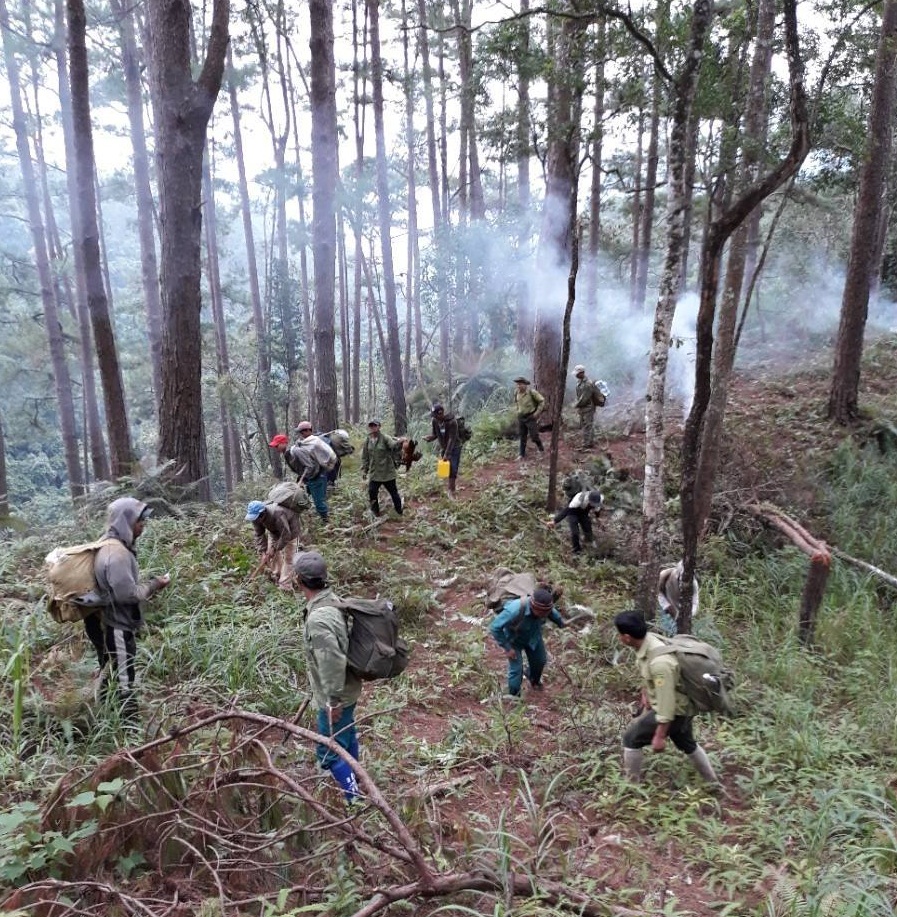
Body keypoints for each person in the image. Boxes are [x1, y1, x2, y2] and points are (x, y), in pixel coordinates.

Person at [613, 611, 719, 787]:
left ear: (627, 637)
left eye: (619, 634)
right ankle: (713, 783)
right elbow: (647, 675)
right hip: (681, 707)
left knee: (631, 739)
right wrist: (646, 694)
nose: (618, 637)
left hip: (675, 711)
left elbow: (667, 704)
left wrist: (660, 735)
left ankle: (631, 787)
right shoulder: (648, 641)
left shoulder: (661, 664)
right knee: (687, 743)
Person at [293, 551, 362, 804]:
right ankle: (356, 777)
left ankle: (354, 798)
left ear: (298, 580)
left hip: (335, 695)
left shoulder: (319, 619)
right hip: (348, 688)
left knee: (329, 752)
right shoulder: (331, 600)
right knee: (347, 735)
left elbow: (330, 662)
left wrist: (333, 701)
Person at [94, 497, 171, 719]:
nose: (142, 525)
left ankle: (106, 715)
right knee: (124, 677)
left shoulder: (112, 546)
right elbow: (127, 594)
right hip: (117, 625)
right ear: (124, 521)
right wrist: (156, 584)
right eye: (139, 520)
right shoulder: (116, 554)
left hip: (115, 622)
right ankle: (129, 727)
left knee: (115, 670)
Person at [490, 585, 566, 697]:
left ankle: (533, 679)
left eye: (546, 612)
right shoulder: (515, 610)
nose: (544, 615)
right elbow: (495, 627)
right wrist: (507, 648)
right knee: (516, 670)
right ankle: (514, 696)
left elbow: (552, 613)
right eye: (542, 613)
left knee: (540, 661)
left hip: (534, 638)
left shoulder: (546, 608)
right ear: (533, 606)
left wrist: (560, 622)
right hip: (513, 640)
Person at [246, 499, 303, 590]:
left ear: (262, 513)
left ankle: (285, 586)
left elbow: (286, 535)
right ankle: (278, 574)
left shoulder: (277, 514)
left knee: (289, 558)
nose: (256, 520)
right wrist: (264, 552)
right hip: (274, 532)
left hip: (291, 531)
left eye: (257, 517)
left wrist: (275, 548)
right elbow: (259, 534)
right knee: (272, 556)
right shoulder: (256, 518)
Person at [294, 421, 338, 522]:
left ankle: (327, 522)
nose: (300, 434)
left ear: (307, 431)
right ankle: (323, 517)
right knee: (315, 497)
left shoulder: (314, 443)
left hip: (318, 475)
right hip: (315, 475)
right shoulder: (306, 442)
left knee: (319, 502)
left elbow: (326, 457)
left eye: (301, 432)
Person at [360, 419, 403, 517]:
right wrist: (364, 470)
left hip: (387, 472)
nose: (373, 428)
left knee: (393, 492)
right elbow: (365, 456)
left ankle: (399, 511)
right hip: (375, 473)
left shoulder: (385, 438)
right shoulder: (368, 440)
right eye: (371, 426)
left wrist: (400, 442)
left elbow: (393, 446)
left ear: (379, 427)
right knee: (372, 492)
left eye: (375, 426)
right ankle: (375, 512)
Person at [548, 488, 603, 555]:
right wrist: (554, 521)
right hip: (573, 511)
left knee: (588, 527)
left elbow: (597, 511)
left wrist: (598, 519)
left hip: (584, 512)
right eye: (592, 503)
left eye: (594, 504)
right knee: (575, 532)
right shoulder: (579, 499)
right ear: (588, 499)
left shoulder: (599, 500)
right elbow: (566, 511)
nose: (593, 505)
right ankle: (576, 551)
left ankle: (590, 544)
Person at [424, 403, 461, 498]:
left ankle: (451, 491)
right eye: (433, 416)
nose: (434, 418)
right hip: (444, 447)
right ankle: (450, 487)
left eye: (436, 415)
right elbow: (435, 434)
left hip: (455, 447)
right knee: (446, 469)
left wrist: (447, 454)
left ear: (441, 413)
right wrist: (429, 438)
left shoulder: (452, 422)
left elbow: (451, 439)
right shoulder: (435, 421)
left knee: (453, 468)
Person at [658, 561, 699, 626]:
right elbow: (658, 593)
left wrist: (689, 614)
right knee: (666, 629)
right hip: (665, 606)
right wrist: (667, 606)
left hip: (681, 610)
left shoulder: (693, 584)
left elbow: (695, 602)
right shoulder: (664, 575)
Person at [513, 376, 545, 460]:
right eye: (517, 384)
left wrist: (537, 413)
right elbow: (516, 403)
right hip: (521, 417)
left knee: (534, 436)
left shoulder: (531, 392)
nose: (518, 386)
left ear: (525, 384)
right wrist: (517, 411)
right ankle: (521, 454)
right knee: (522, 436)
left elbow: (542, 401)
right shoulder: (516, 392)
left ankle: (541, 449)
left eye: (520, 384)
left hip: (530, 416)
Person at [572, 364, 599, 450]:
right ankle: (589, 443)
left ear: (582, 373)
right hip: (583, 408)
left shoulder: (588, 384)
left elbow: (584, 398)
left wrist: (575, 405)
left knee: (588, 426)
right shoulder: (579, 382)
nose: (575, 375)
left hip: (588, 408)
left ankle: (586, 445)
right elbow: (579, 396)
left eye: (577, 373)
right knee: (585, 426)